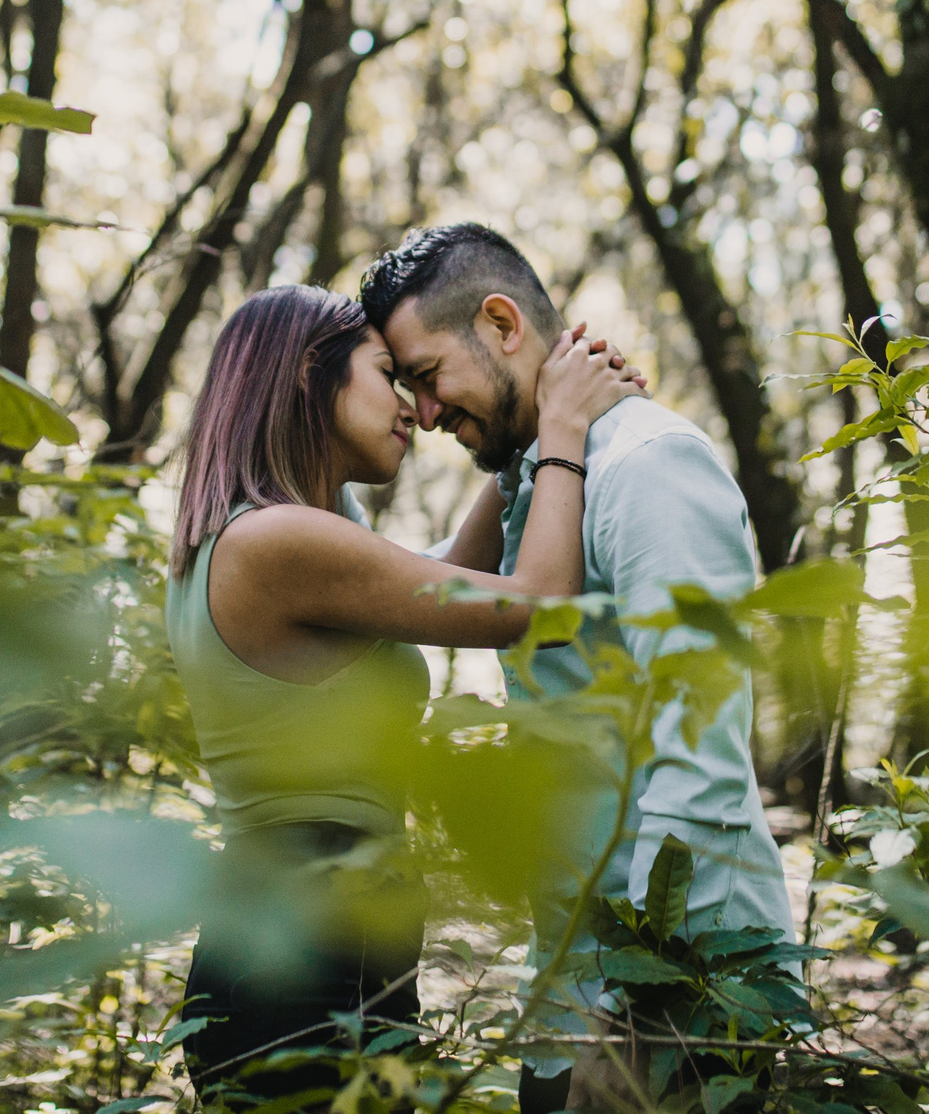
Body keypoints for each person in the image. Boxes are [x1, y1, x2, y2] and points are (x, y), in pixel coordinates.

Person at [165, 283, 644, 1104]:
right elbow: (536, 606)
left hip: (304, 934)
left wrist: (520, 424)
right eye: (387, 373)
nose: (415, 409)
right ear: (309, 376)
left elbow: (455, 567)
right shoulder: (278, 540)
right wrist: (562, 429)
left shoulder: (265, 531)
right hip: (309, 945)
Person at [358, 224, 795, 1114]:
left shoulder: (647, 466)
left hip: (671, 1005)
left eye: (429, 375)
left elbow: (699, 759)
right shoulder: (540, 479)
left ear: (501, 323)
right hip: (566, 997)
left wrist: (649, 1009)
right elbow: (427, 586)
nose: (427, 413)